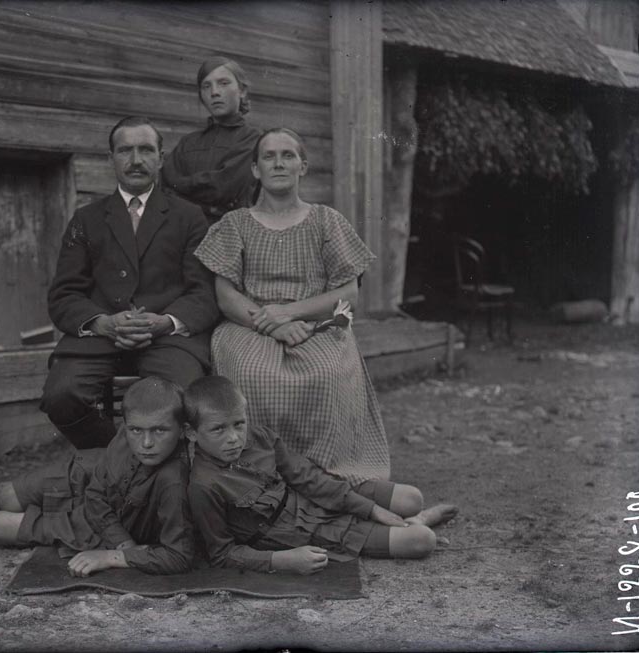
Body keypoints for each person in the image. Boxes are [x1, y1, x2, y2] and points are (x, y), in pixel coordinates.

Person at [194, 127, 389, 486]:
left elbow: (348, 297)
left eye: (288, 156)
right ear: (255, 169)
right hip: (249, 325)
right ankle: (258, 473)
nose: (278, 163)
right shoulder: (235, 224)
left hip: (317, 325)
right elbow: (226, 297)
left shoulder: (326, 221)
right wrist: (273, 324)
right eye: (269, 156)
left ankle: (327, 477)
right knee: (252, 373)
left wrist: (291, 312)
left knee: (326, 374)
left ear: (304, 167)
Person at [42, 116, 220, 449]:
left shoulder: (189, 217)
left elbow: (203, 292)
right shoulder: (86, 219)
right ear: (111, 159)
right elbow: (64, 294)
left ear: (161, 159)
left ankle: (156, 472)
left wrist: (165, 322)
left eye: (145, 150)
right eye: (125, 150)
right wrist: (103, 322)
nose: (135, 160)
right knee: (60, 396)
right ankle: (115, 459)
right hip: (99, 338)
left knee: (186, 399)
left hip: (167, 340)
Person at [185, 376, 457, 573]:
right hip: (299, 531)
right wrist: (281, 561)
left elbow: (306, 477)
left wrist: (370, 509)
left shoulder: (259, 437)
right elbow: (221, 553)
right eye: (218, 429)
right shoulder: (203, 485)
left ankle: (410, 516)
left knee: (412, 497)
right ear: (192, 433)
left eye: (238, 424)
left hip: (311, 498)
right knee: (422, 541)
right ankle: (416, 523)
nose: (234, 438)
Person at [0, 377, 194, 576]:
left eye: (159, 430)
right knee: (7, 497)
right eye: (136, 430)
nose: (146, 443)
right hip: (87, 477)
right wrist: (127, 546)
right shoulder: (128, 432)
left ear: (183, 430)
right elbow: (95, 491)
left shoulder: (173, 482)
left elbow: (179, 556)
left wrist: (117, 553)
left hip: (96, 520)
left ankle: (47, 514)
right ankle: (42, 503)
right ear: (126, 425)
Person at [161, 57, 261, 224]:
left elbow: (223, 188)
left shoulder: (253, 139)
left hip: (229, 236)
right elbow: (166, 189)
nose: (214, 92)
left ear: (242, 90)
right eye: (206, 86)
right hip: (185, 235)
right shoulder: (188, 143)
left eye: (223, 83)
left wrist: (183, 187)